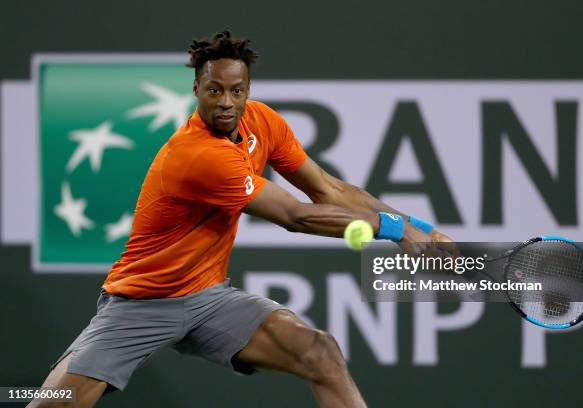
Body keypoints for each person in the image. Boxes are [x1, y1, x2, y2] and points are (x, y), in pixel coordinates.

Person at [29, 31, 454, 408]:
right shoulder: (199, 156)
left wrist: (418, 226)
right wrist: (396, 231)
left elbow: (329, 189)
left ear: (248, 89)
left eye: (236, 91)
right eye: (214, 91)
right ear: (197, 88)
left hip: (209, 298)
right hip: (142, 302)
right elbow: (298, 217)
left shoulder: (262, 121)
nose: (226, 103)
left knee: (319, 353)